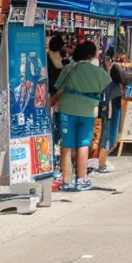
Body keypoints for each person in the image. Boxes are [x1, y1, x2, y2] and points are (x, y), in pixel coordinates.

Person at [51, 41, 112, 192]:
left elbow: (58, 88)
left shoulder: (69, 68)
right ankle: (81, 179)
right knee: (83, 144)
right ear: (93, 55)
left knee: (66, 145)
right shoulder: (97, 71)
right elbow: (105, 85)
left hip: (67, 108)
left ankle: (65, 181)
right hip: (88, 111)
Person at [91, 52, 129, 175]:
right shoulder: (109, 80)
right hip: (109, 109)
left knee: (105, 138)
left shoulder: (102, 77)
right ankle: (101, 164)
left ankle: (100, 163)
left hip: (104, 108)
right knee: (106, 139)